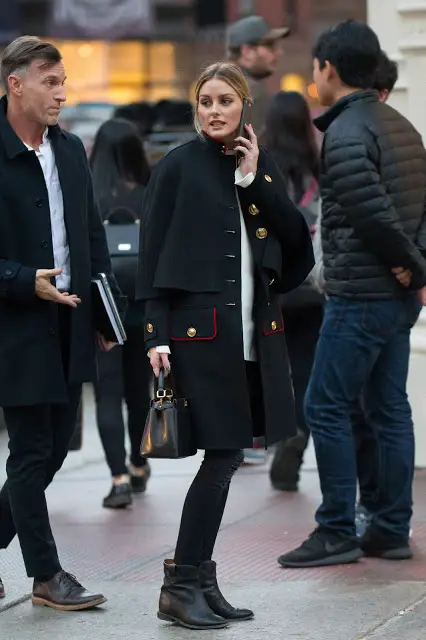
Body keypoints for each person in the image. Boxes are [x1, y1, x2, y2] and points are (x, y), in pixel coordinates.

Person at [136, 62, 314, 630]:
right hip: (197, 340)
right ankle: (182, 582)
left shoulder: (258, 171)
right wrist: (154, 333)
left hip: (252, 339)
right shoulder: (176, 168)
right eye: (206, 101)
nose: (214, 110)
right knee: (221, 458)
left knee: (229, 456)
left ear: (244, 108)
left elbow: (299, 254)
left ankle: (200, 580)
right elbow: (151, 257)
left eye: (225, 101)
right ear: (197, 108)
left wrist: (255, 181)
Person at [278, 20, 426, 570]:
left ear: (329, 70)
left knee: (324, 405)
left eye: (315, 66)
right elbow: (420, 209)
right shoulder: (401, 125)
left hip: (361, 296)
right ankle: (389, 527)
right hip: (396, 300)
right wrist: (418, 271)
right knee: (389, 407)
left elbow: (368, 212)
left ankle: (336, 528)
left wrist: (410, 265)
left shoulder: (344, 131)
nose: (314, 75)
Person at [0, 36, 125, 609]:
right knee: (30, 452)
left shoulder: (71, 149)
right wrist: (23, 279)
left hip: (71, 318)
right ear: (14, 83)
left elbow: (91, 235)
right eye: (50, 82)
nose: (62, 93)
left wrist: (104, 312)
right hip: (16, 323)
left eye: (63, 81)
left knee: (52, 453)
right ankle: (47, 575)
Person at [261, 90, 323, 492]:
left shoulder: (260, 165)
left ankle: (280, 435)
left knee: (269, 368)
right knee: (305, 367)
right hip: (314, 282)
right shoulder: (320, 167)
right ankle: (300, 431)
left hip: (272, 285)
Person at [89, 118, 152, 509]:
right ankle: (139, 462)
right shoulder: (150, 195)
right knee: (138, 391)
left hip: (102, 308)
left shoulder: (87, 197)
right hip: (143, 308)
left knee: (107, 393)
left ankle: (118, 478)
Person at [227, 15, 289, 137]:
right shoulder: (250, 92)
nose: (279, 52)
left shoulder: (222, 84)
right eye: (270, 45)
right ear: (247, 52)